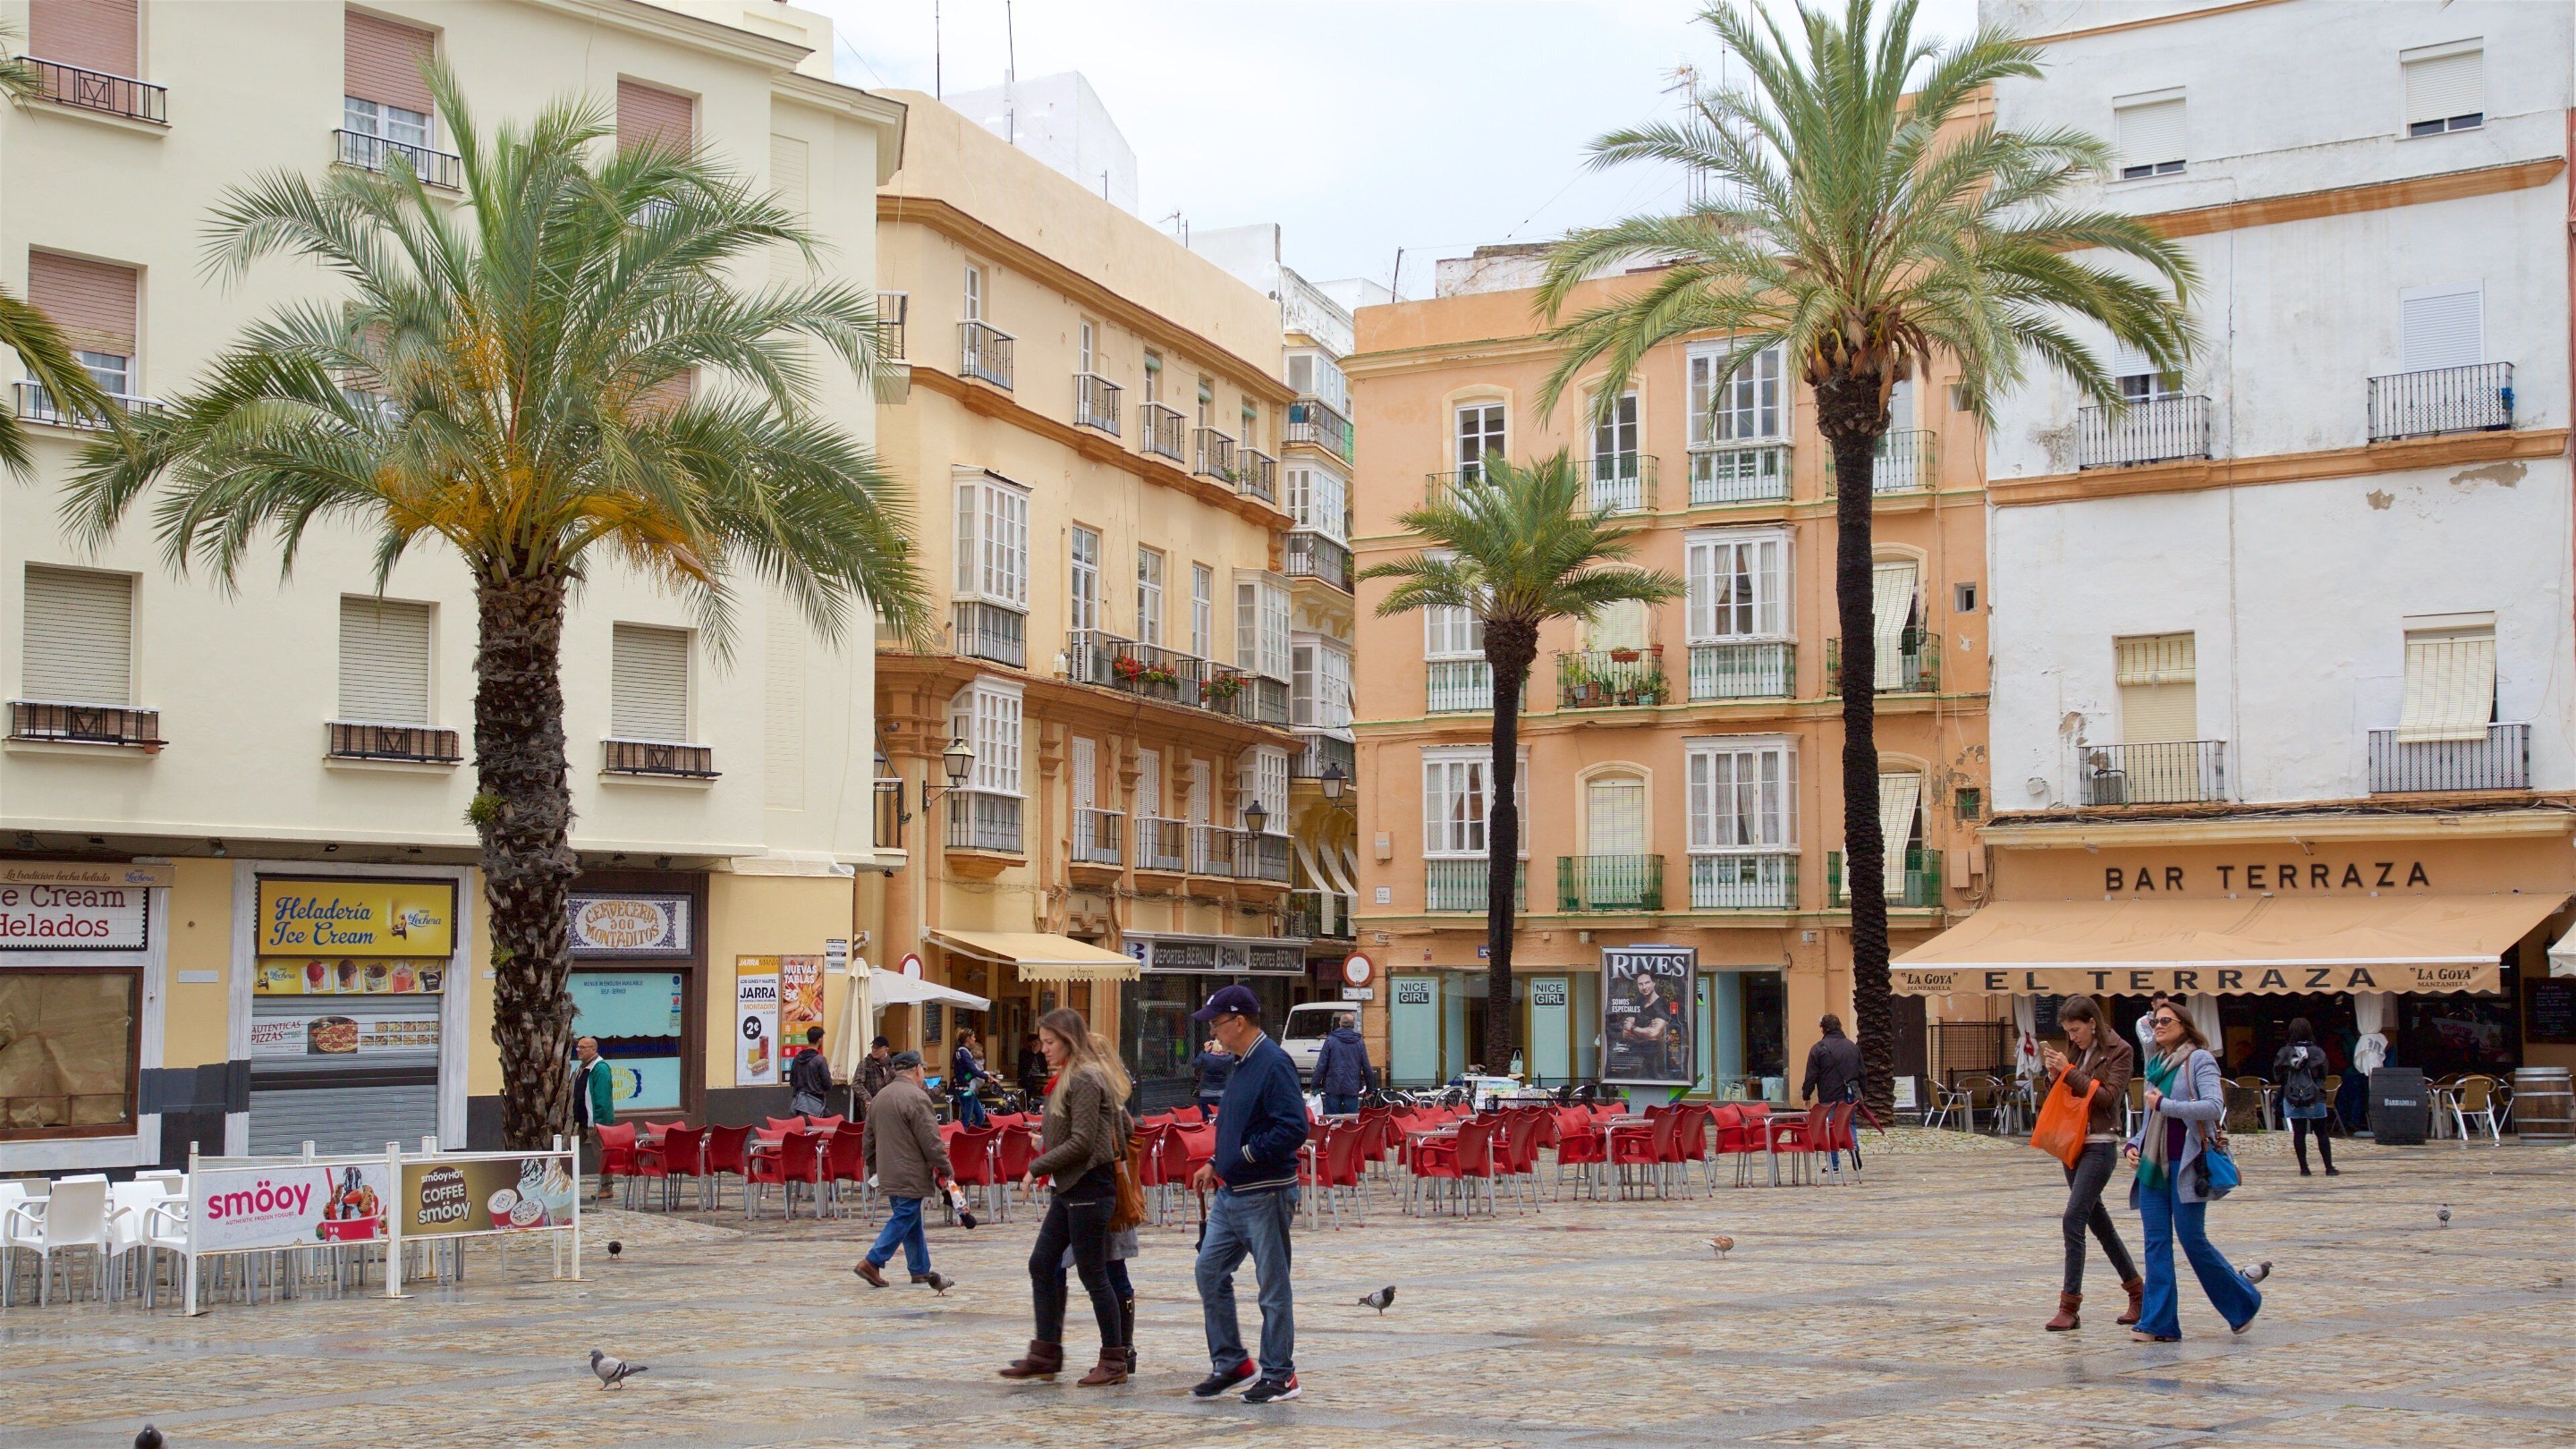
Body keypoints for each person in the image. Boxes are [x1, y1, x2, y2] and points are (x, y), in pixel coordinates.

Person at [1000, 1009, 1133, 1387]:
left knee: (1094, 1274)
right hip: (1070, 1188)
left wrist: (1036, 1167)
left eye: (1050, 1042)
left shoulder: (1086, 1077)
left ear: (1069, 1041)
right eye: (1042, 1042)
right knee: (1043, 1264)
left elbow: (1083, 1141)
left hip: (1090, 1187)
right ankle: (1045, 1354)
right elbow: (1108, 1129)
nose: (1043, 1049)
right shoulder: (1072, 1077)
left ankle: (1114, 1360)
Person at [1189, 984, 1309, 1405]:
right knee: (1209, 1271)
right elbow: (1240, 1122)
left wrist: (1244, 1155)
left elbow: (1293, 1127)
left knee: (1272, 1286)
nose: (1213, 1032)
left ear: (1239, 1022)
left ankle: (1280, 1373)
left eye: (1217, 1023)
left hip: (1266, 1192)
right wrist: (1216, 1162)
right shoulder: (1241, 1063)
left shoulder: (1273, 1062)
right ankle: (1232, 1363)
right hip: (1232, 1191)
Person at [2126, 1002, 2271, 1342]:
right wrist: (2133, 1144)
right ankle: (2158, 1324)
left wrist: (2166, 1105)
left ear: (2184, 1025)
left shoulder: (2199, 1059)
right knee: (2155, 1243)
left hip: (2187, 1164)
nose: (2158, 1026)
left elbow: (2214, 1107)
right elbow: (2149, 1119)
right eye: (2155, 1021)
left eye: (2166, 1020)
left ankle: (2243, 1303)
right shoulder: (2155, 1063)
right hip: (2153, 1164)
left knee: (2192, 1240)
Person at [2036, 996, 2142, 1332]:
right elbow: (2066, 1095)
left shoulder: (2120, 1050)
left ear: (2093, 1023)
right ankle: (2138, 1293)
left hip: (2100, 1145)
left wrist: (2069, 1072)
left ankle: (2069, 1306)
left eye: (2076, 1030)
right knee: (2100, 1225)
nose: (2073, 1037)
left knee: (2073, 1219)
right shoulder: (2076, 1051)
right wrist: (2055, 1075)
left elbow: (2109, 1097)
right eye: (2068, 1032)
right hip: (2073, 1143)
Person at [853, 1051, 955, 1293]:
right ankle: (873, 1261)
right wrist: (946, 1168)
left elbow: (868, 1139)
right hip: (910, 1170)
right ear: (917, 1070)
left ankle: (920, 1269)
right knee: (906, 1215)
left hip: (887, 1170)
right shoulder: (917, 1098)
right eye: (923, 1070)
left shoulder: (879, 1098)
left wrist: (874, 1168)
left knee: (910, 1216)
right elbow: (931, 1140)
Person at [2274, 1018, 2337, 1177]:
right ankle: (2329, 1167)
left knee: (2299, 1133)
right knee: (2322, 1132)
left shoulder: (2285, 1052)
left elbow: (2278, 1075)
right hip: (2315, 1096)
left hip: (2292, 1096)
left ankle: (2304, 1168)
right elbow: (2324, 1073)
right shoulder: (2317, 1052)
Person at [1801, 1014, 1864, 1174]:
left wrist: (1806, 1095)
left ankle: (1834, 1164)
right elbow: (1862, 1072)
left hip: (1828, 1095)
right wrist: (1862, 1093)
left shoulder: (1818, 1048)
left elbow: (1811, 1075)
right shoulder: (1852, 1046)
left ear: (1823, 1028)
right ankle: (1854, 1147)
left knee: (1830, 1128)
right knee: (1849, 1123)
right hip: (1849, 1094)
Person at [571, 1036, 617, 1200]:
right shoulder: (581, 1068)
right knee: (569, 1151)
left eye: (583, 1047)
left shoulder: (600, 1069)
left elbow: (603, 1098)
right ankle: (564, 1185)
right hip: (579, 1121)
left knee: (602, 1155)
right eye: (578, 1047)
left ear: (593, 1050)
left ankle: (607, 1188)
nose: (579, 1050)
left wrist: (598, 1122)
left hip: (596, 1122)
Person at [1313, 1014, 1371, 1117]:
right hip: (1352, 1086)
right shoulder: (1359, 1042)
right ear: (1353, 1025)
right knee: (1351, 1120)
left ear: (1340, 1023)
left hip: (1333, 1086)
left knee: (1332, 1119)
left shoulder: (1331, 1040)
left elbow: (1322, 1065)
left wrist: (1315, 1085)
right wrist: (1370, 1089)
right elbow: (1367, 1067)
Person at [788, 1026, 835, 1117]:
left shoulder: (797, 1058)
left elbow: (792, 1082)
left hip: (800, 1106)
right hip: (816, 1106)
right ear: (820, 1040)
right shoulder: (820, 1060)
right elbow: (828, 1085)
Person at [951, 1029, 991, 1129]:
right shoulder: (964, 1053)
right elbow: (972, 1070)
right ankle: (963, 1135)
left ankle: (971, 1134)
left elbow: (967, 1073)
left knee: (980, 1116)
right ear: (968, 1039)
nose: (975, 1039)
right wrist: (986, 1076)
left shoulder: (961, 1051)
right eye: (973, 1037)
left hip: (967, 1087)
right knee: (967, 1119)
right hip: (965, 1088)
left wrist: (980, 1075)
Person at [1191, 1037, 1237, 1114]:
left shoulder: (1205, 1057)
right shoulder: (1230, 1059)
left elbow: (1195, 1064)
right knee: (1221, 1117)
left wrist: (1205, 1050)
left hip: (1206, 1093)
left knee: (1207, 1118)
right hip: (1222, 1094)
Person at [857, 1036, 896, 1108]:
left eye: (877, 1048)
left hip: (889, 1104)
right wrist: (867, 1099)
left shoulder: (892, 1064)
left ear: (886, 1050)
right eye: (873, 1047)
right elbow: (857, 1083)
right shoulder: (866, 1063)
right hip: (871, 1105)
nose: (874, 1050)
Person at [2134, 990, 2172, 1057]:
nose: (2164, 1009)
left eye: (2167, 1006)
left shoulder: (2172, 1019)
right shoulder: (2143, 1022)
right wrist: (2160, 1025)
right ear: (2153, 1005)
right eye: (2161, 1006)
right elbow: (2150, 1046)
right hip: (2153, 1061)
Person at [1017, 1031, 1049, 1106]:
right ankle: (1030, 1105)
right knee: (1031, 1087)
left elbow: (1044, 1068)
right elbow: (1025, 1067)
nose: (1036, 1044)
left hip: (1039, 1079)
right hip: (1027, 1080)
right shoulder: (1024, 1053)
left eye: (1038, 1042)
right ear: (1029, 1043)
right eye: (1034, 1042)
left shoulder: (1041, 1055)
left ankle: (1040, 1104)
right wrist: (1033, 1053)